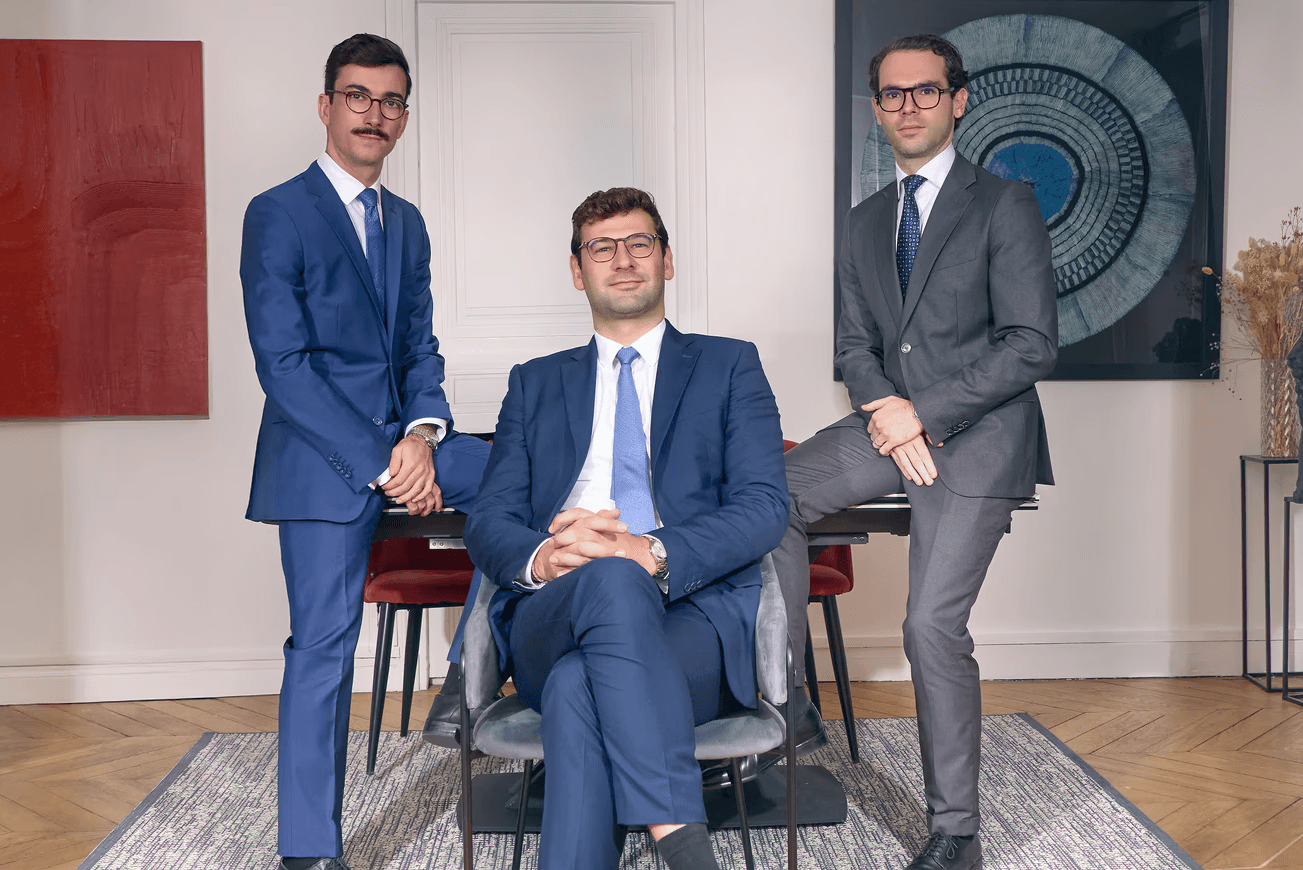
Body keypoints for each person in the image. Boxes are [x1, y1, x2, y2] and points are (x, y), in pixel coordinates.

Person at [770, 34, 1058, 870]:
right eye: (892, 95)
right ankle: (788, 700)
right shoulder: (864, 222)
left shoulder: (1004, 204)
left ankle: (954, 833)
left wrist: (920, 413)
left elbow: (1030, 345)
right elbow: (853, 346)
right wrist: (888, 409)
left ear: (956, 99)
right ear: (876, 110)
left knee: (928, 627)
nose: (908, 107)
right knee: (766, 498)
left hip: (981, 435)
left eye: (924, 92)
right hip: (890, 424)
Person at [461, 187, 789, 870]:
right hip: (555, 610)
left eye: (639, 243)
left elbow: (764, 507)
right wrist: (544, 558)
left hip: (691, 617)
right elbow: (489, 520)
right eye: (601, 247)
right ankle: (679, 837)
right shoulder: (535, 383)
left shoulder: (730, 366)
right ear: (577, 270)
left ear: (666, 261)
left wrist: (653, 550)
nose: (622, 260)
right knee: (604, 581)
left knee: (582, 687)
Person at [240, 33, 490, 870]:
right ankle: (309, 851)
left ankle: (468, 670)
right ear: (325, 106)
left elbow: (420, 347)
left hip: (404, 443)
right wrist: (386, 460)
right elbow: (283, 368)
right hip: (318, 460)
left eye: (389, 102)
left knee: (524, 479)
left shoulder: (407, 223)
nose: (373, 114)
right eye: (358, 97)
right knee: (321, 646)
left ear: (404, 117)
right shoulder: (276, 213)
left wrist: (422, 433)